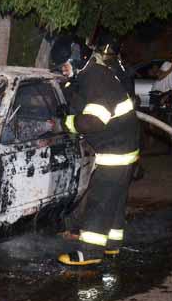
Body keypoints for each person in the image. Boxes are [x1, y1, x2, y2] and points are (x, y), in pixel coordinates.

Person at [57, 35, 140, 266]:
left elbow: (94, 122)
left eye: (65, 65)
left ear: (77, 60)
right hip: (125, 147)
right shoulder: (92, 75)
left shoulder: (95, 80)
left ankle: (90, 253)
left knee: (100, 200)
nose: (63, 71)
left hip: (115, 152)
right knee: (114, 199)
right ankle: (112, 245)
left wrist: (69, 123)